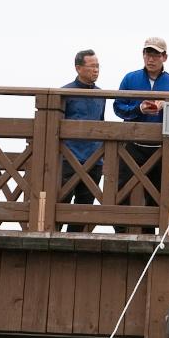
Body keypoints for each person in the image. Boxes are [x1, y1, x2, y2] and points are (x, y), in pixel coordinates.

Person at [113, 37, 169, 223]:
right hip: (132, 146)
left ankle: (151, 235)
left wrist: (166, 107)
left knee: (158, 194)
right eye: (147, 54)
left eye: (155, 54)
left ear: (164, 57)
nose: (150, 59)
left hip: (161, 147)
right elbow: (118, 107)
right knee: (123, 190)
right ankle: (121, 232)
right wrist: (138, 109)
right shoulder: (130, 78)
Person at [59, 50, 105, 231]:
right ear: (78, 68)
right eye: (92, 66)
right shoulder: (65, 92)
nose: (96, 70)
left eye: (98, 66)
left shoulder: (102, 95)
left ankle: (72, 243)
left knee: (84, 207)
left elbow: (102, 123)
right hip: (69, 158)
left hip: (94, 159)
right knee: (61, 202)